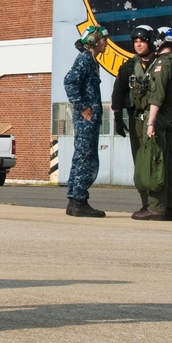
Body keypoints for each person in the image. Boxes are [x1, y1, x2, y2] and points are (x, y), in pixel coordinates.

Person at [134, 26, 172, 221]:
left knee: (155, 160)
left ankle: (156, 207)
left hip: (161, 119)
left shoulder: (162, 64)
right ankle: (171, 208)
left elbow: (157, 96)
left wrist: (150, 123)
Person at [64, 24, 109, 217]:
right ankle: (79, 200)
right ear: (94, 41)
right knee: (86, 158)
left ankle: (75, 200)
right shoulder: (84, 60)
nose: (106, 43)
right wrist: (82, 107)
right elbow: (70, 82)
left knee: (82, 156)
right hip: (86, 118)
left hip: (90, 117)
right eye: (103, 39)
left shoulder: (91, 60)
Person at [110, 24, 156, 217]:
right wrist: (117, 117)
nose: (138, 45)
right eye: (136, 42)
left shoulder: (161, 64)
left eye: (142, 41)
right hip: (136, 119)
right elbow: (118, 92)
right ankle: (146, 202)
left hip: (155, 120)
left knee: (158, 160)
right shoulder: (128, 67)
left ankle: (161, 204)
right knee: (140, 161)